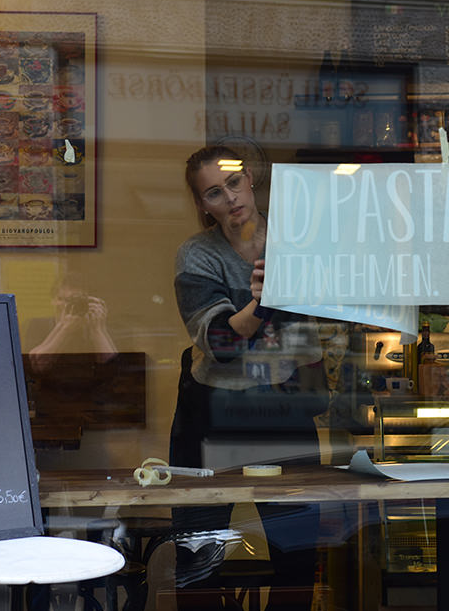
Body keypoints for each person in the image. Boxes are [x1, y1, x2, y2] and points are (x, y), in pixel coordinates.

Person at [170, 145, 326, 610]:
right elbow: (220, 344)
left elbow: (338, 315)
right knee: (201, 555)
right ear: (202, 205)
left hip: (285, 409)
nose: (230, 198)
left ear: (252, 179)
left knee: (296, 553)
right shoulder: (197, 256)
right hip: (212, 414)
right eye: (214, 192)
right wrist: (263, 302)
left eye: (234, 183)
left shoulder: (301, 241)